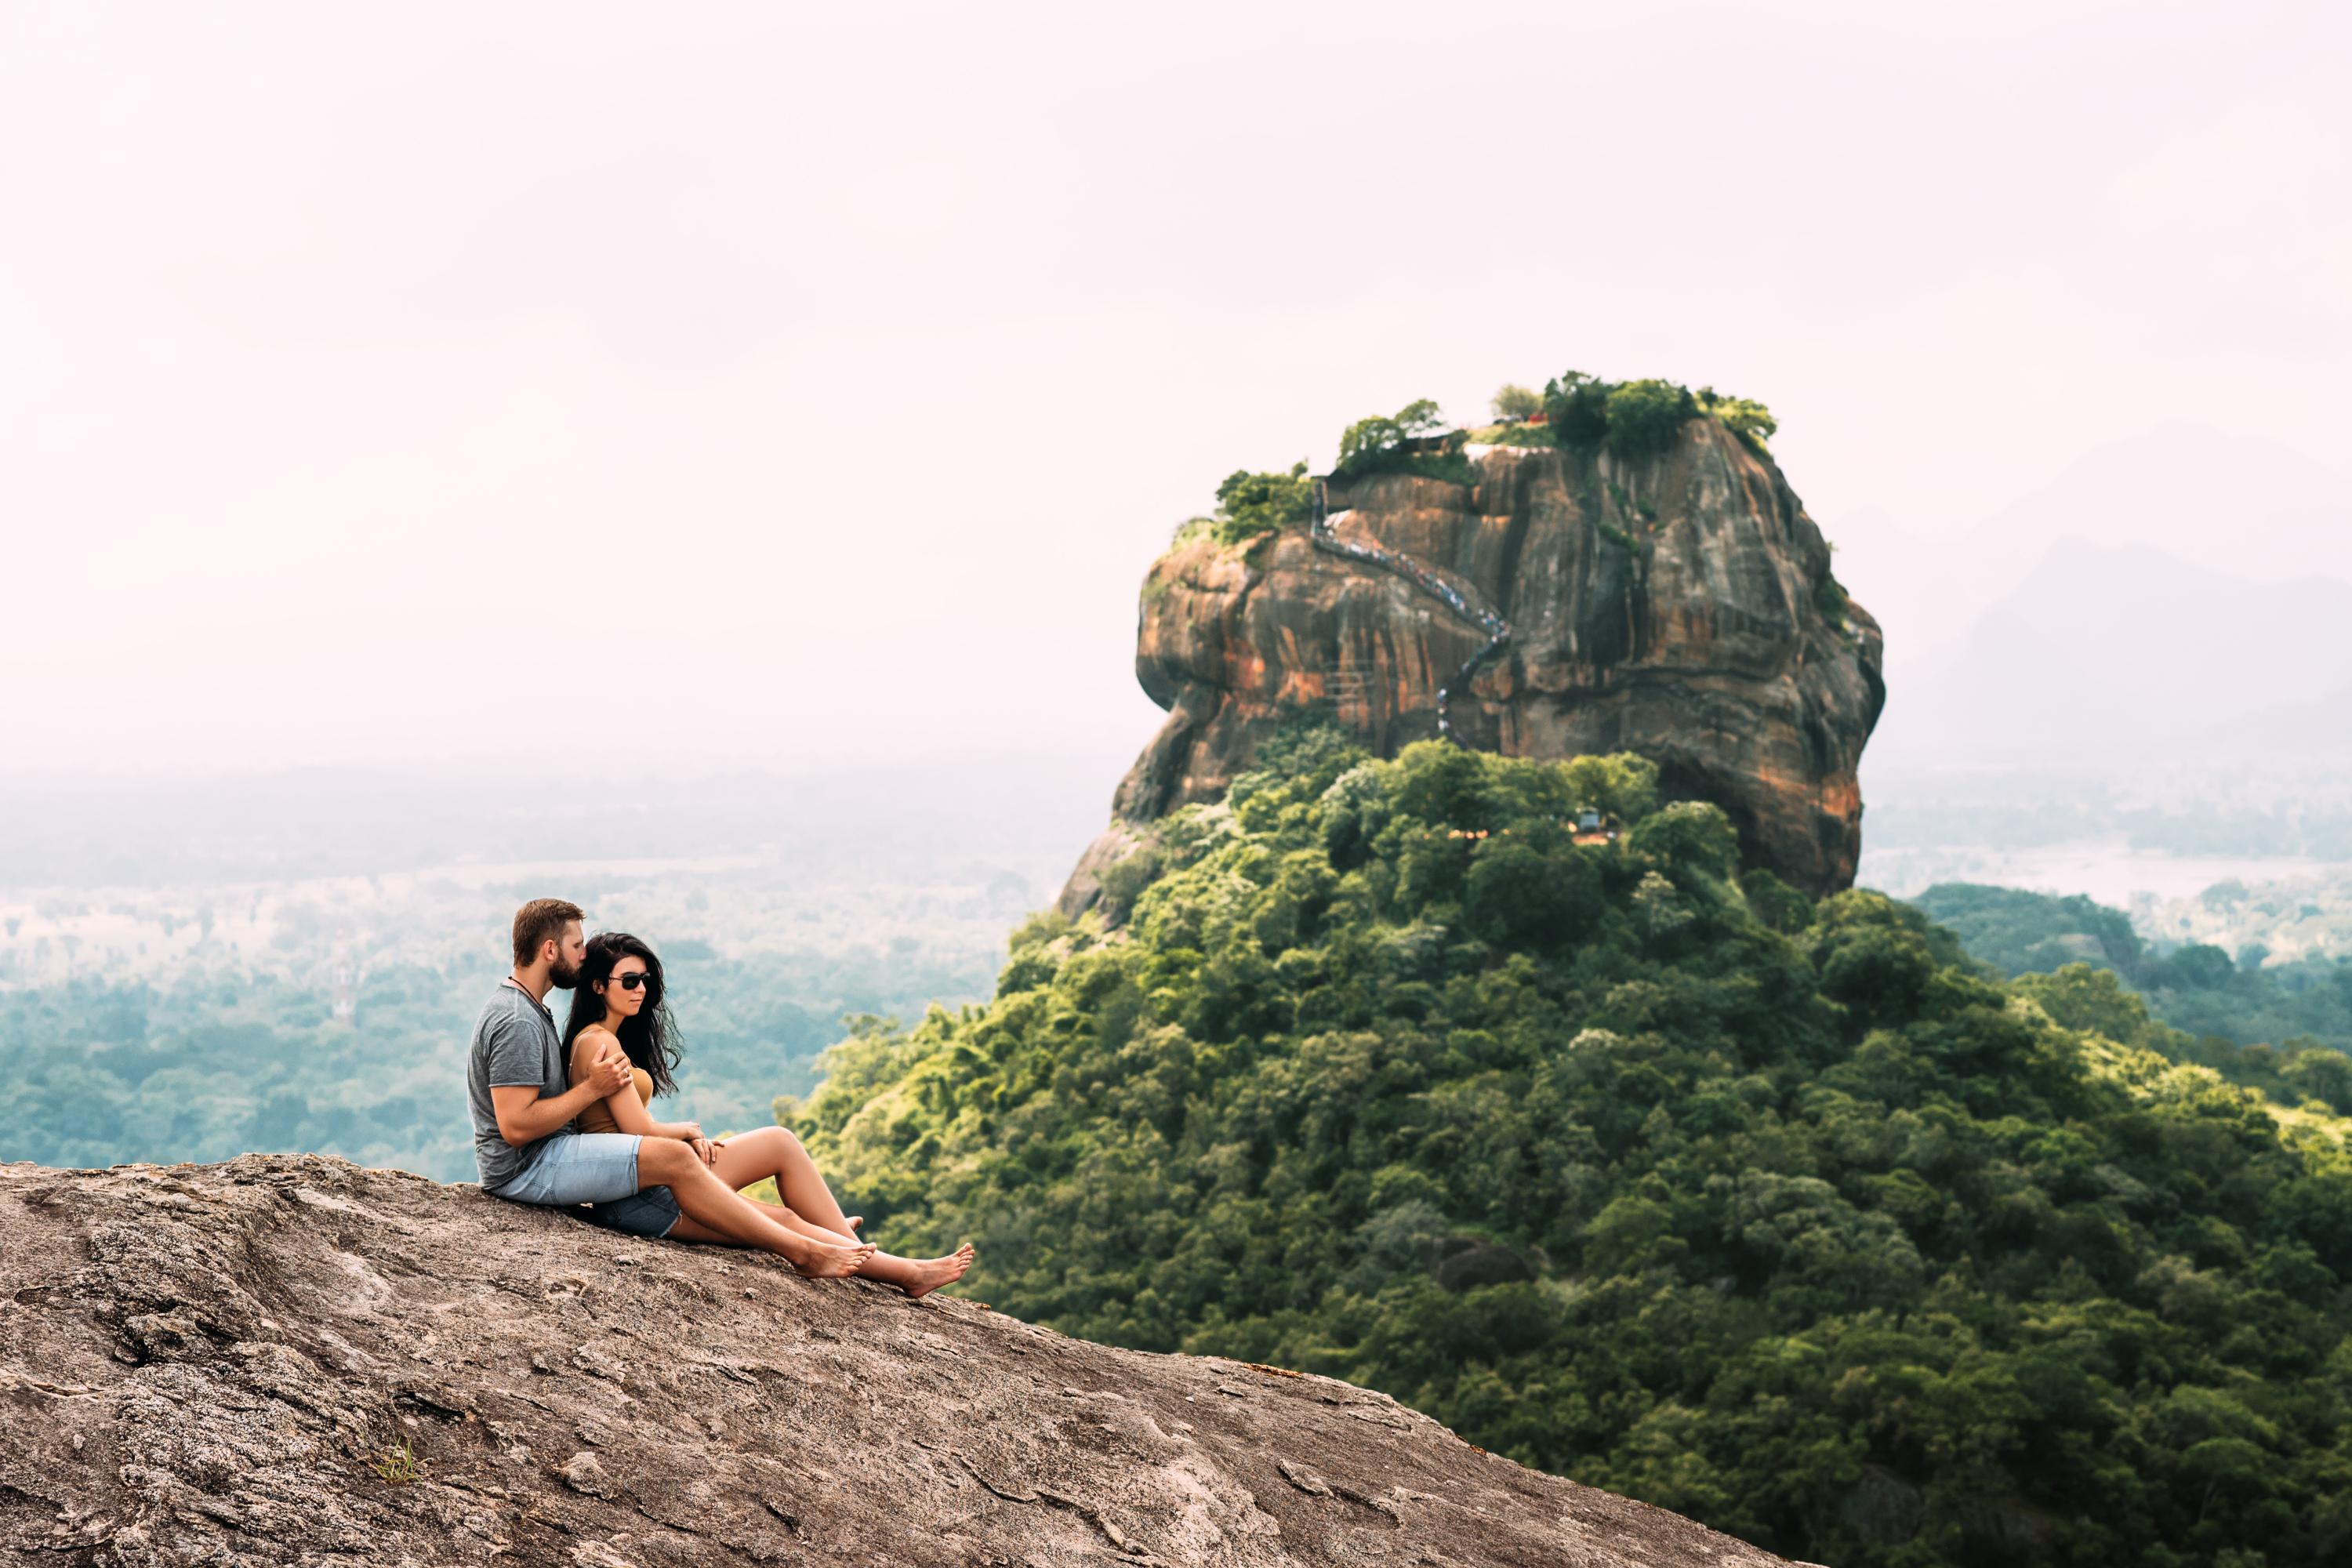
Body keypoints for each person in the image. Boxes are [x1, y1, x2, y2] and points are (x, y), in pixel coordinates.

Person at [466, 898, 876, 1280]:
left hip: (547, 1156)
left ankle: (834, 1238)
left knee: (754, 1148)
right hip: (524, 1168)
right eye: (577, 947)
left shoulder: (531, 1011)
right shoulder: (518, 1019)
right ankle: (804, 1248)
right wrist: (594, 1088)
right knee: (680, 1158)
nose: (583, 956)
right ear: (550, 950)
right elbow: (516, 1127)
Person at [562, 930, 975, 1298]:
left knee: (779, 1142)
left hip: (658, 1176)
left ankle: (838, 1236)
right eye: (629, 981)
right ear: (598, 986)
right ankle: (908, 1272)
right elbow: (638, 1130)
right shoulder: (601, 1046)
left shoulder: (603, 1038)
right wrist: (686, 1131)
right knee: (785, 1221)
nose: (640, 990)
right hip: (636, 1199)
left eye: (645, 981)